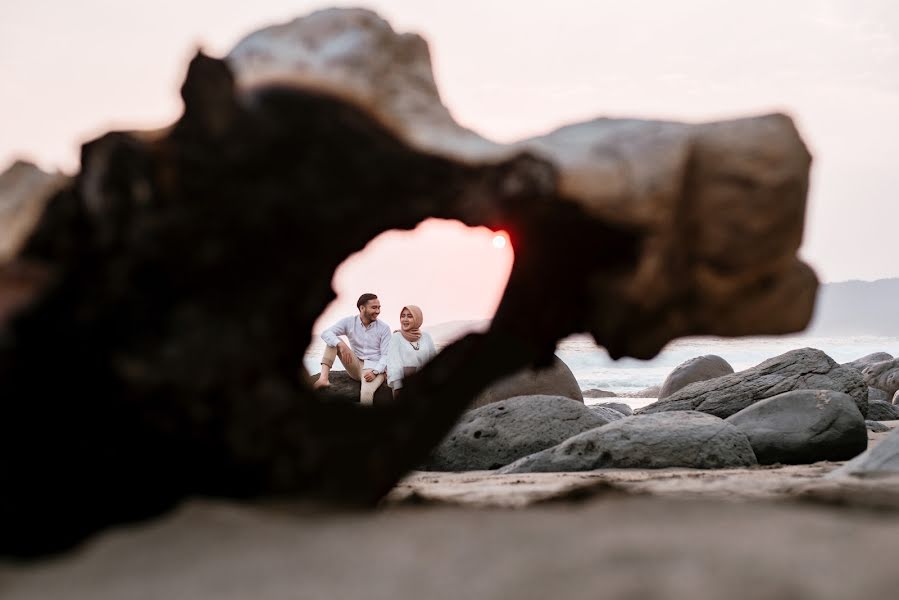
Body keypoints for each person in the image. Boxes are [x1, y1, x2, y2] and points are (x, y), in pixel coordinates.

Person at [314, 293, 391, 404]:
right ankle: (323, 379)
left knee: (365, 394)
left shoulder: (384, 328)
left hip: (373, 368)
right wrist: (341, 345)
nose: (378, 311)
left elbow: (386, 355)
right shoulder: (349, 322)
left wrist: (376, 372)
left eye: (379, 307)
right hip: (354, 365)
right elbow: (326, 333)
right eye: (374, 307)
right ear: (362, 308)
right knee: (332, 342)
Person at [386, 305, 437, 397]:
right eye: (403, 316)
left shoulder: (426, 337)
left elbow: (434, 361)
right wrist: (398, 388)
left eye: (409, 316)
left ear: (418, 318)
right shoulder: (396, 337)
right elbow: (394, 365)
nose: (405, 319)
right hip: (405, 385)